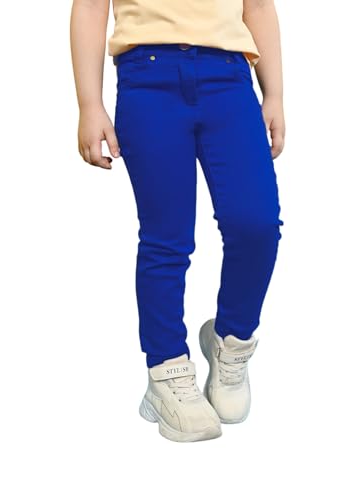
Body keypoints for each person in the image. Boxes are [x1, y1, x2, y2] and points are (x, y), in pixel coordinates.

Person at [70, 0, 285, 442]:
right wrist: (89, 104)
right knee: (166, 237)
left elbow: (259, 6)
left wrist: (275, 95)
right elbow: (90, 5)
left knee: (257, 224)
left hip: (229, 78)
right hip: (148, 78)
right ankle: (166, 370)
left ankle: (231, 343)